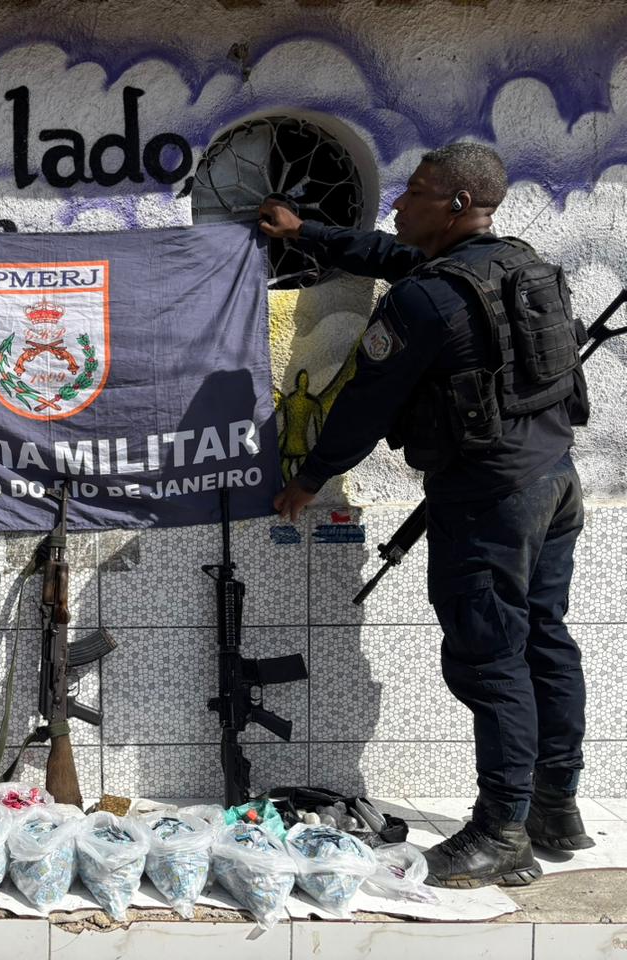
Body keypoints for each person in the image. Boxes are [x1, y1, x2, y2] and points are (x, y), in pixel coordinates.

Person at [260, 142, 590, 889]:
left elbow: (363, 405)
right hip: (554, 482)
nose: (400, 204)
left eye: (415, 192)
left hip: (489, 501)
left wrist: (309, 479)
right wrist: (306, 232)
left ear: (458, 204)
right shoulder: (518, 266)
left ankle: (501, 831)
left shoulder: (428, 299)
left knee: (491, 659)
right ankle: (556, 807)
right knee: (545, 639)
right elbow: (389, 253)